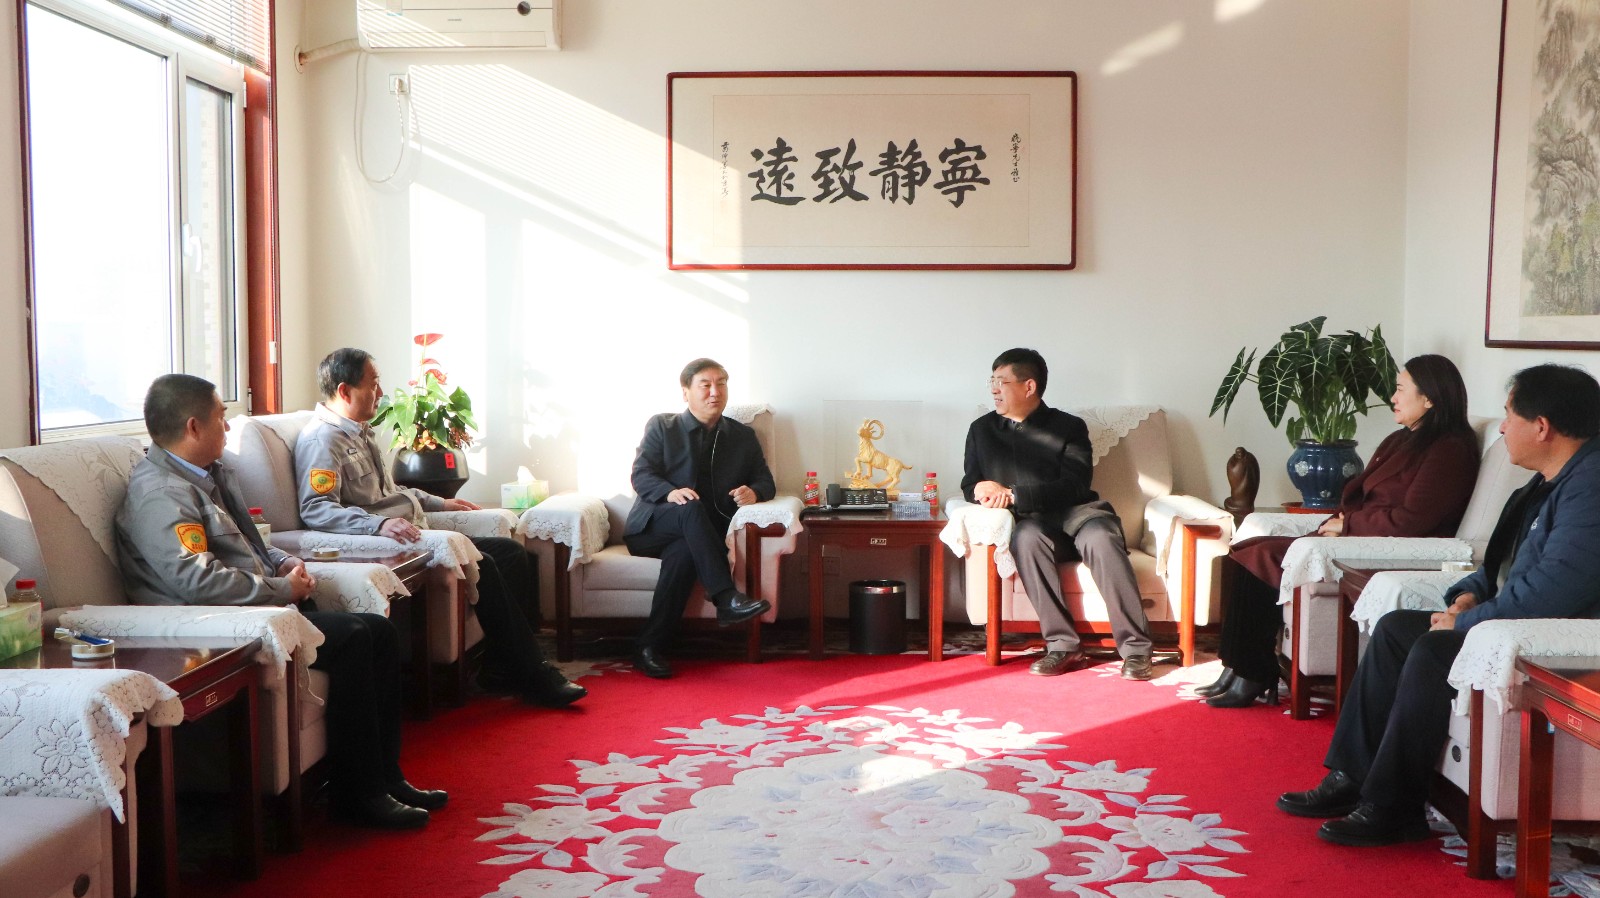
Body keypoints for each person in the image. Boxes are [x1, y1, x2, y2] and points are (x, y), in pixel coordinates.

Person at [1276, 364, 1600, 847]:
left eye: (1509, 416)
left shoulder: (1591, 488)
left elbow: (1554, 591)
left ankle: (1393, 807)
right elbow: (1499, 563)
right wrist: (1467, 594)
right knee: (1395, 629)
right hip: (1508, 618)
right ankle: (1351, 777)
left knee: (1432, 648)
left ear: (1542, 427)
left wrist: (1465, 622)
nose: (1502, 428)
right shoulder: (1546, 480)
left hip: (1553, 640)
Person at [116, 374, 446, 829]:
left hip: (259, 606)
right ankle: (359, 796)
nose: (227, 428)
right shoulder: (162, 493)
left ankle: (386, 777)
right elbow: (196, 581)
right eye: (221, 418)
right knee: (355, 637)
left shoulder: (207, 473)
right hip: (217, 623)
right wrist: (281, 590)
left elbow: (248, 542)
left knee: (377, 631)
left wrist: (284, 561)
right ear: (193, 427)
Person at [295, 348, 585, 707]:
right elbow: (317, 509)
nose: (381, 393)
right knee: (486, 562)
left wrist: (439, 502)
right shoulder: (323, 440)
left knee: (511, 552)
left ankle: (500, 667)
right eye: (373, 384)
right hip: (389, 541)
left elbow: (391, 491)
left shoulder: (360, 432)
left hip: (416, 528)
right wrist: (378, 523)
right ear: (345, 390)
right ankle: (534, 675)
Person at [1201, 355, 1480, 708]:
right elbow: (1360, 494)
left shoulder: (1449, 450)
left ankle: (1252, 673)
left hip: (1380, 546)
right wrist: (1339, 521)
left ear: (1428, 398)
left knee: (1260, 556)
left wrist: (1348, 525)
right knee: (1244, 551)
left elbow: (1412, 521)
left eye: (1400, 390)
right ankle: (1236, 665)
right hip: (1353, 535)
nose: (1393, 398)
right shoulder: (1403, 439)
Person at [961, 348, 1156, 680]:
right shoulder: (981, 430)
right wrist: (980, 488)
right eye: (991, 381)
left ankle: (1137, 650)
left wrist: (1014, 495)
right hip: (1034, 525)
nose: (993, 389)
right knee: (1025, 538)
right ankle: (1063, 647)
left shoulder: (1069, 427)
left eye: (1001, 381)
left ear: (1029, 386)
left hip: (1080, 515)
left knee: (1101, 538)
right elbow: (970, 484)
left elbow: (1076, 485)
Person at [623, 358, 775, 679]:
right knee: (690, 506)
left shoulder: (742, 436)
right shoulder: (663, 427)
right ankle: (726, 597)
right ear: (685, 392)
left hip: (696, 538)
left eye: (721, 384)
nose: (714, 392)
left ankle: (648, 647)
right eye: (705, 385)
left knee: (683, 554)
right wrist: (669, 493)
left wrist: (754, 492)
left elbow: (765, 481)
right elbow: (641, 474)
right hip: (652, 528)